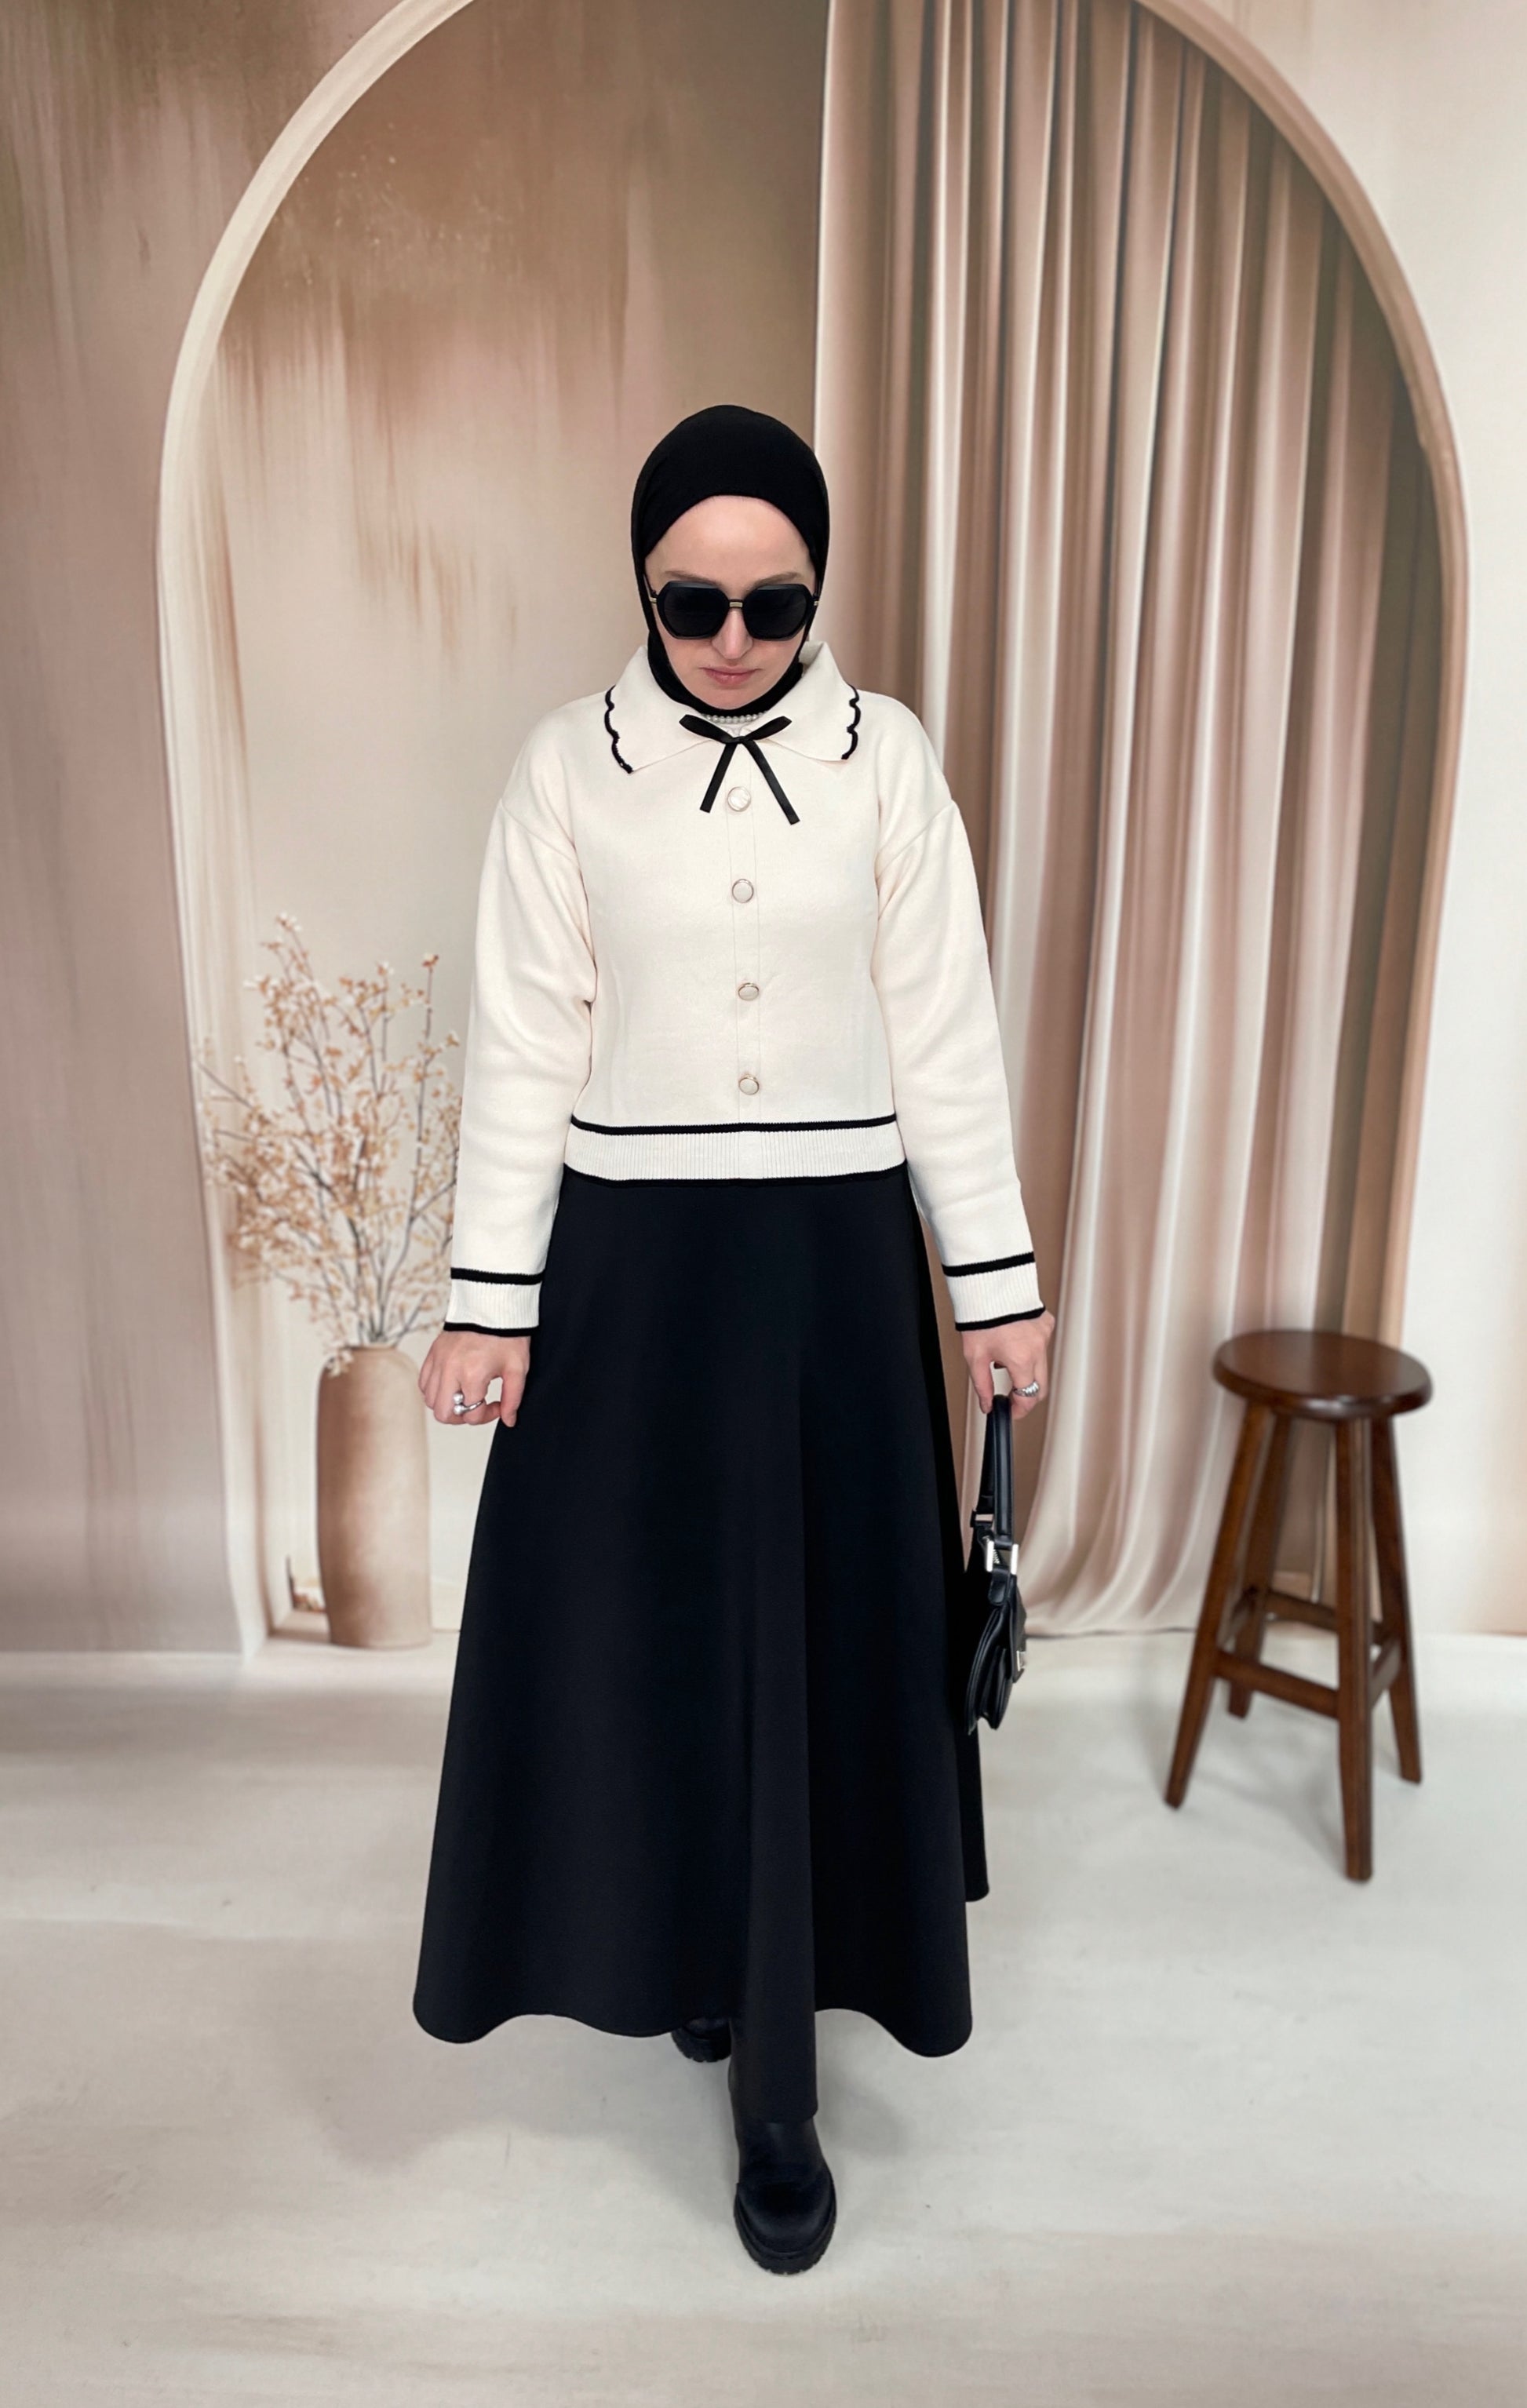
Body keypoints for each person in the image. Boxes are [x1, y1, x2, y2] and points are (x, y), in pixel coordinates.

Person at [412, 403, 1054, 2275]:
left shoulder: (886, 760)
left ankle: (781, 2083)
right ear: (640, 585)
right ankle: (699, 1957)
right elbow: (522, 1041)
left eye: (775, 601)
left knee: (820, 1640)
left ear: (818, 588)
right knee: (658, 1638)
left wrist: (993, 1283)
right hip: (633, 1276)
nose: (731, 638)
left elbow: (946, 1031)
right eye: (690, 600)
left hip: (837, 1273)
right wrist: (489, 1303)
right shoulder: (567, 768)